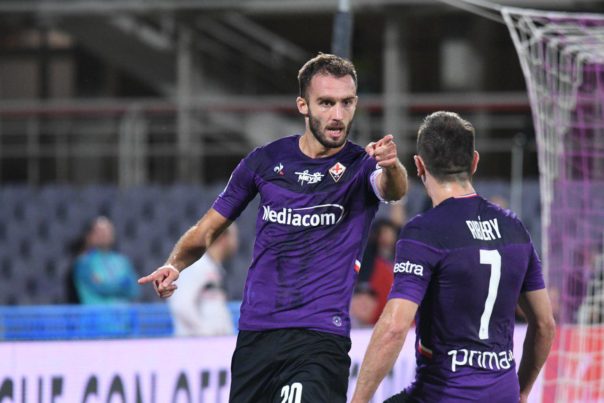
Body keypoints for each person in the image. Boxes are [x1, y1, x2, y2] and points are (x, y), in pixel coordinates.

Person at [138, 53, 408, 403]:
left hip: (319, 339)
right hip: (256, 337)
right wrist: (175, 265)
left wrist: (392, 166)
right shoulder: (265, 161)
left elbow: (393, 189)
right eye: (326, 103)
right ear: (303, 105)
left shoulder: (362, 165)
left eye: (347, 102)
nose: (338, 115)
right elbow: (207, 229)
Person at [351, 111, 556, 403]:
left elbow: (394, 328)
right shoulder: (515, 229)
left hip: (443, 395)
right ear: (474, 161)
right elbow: (545, 325)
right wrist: (520, 392)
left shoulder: (424, 231)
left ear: (419, 166)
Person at [169, 224, 239, 336]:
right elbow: (181, 305)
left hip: (214, 343)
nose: (235, 242)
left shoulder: (214, 268)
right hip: (196, 343)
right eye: (234, 236)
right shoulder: (195, 265)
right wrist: (204, 332)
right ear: (222, 237)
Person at [72, 216, 140, 304]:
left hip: (123, 312)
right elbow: (99, 289)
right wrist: (122, 284)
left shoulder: (122, 261)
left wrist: (107, 284)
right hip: (96, 312)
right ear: (90, 236)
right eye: (100, 231)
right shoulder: (83, 263)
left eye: (108, 230)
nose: (104, 234)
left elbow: (134, 290)